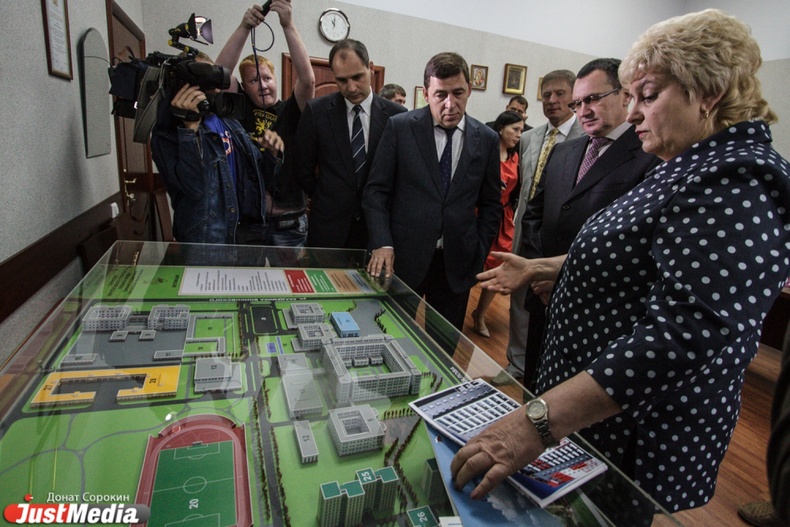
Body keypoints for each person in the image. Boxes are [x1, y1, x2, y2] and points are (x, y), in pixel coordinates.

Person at [450, 8, 790, 520]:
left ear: (709, 93)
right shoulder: (688, 161)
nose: (632, 114)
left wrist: (533, 423)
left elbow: (683, 335)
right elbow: (637, 257)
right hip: (590, 416)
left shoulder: (735, 180)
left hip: (631, 429)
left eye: (647, 96)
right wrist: (549, 269)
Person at [516, 58, 660, 388]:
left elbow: (637, 244)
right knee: (534, 386)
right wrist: (539, 272)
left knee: (572, 396)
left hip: (596, 309)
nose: (584, 110)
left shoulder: (649, 155)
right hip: (543, 297)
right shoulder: (564, 151)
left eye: (593, 99)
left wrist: (563, 278)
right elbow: (534, 215)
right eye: (578, 103)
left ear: (625, 95)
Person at [364, 52, 502, 332]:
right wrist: (383, 242)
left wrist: (478, 253)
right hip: (402, 260)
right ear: (426, 94)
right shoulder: (401, 128)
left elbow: (491, 204)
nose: (450, 104)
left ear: (469, 90)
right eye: (441, 95)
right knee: (391, 335)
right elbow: (376, 191)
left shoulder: (487, 139)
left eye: (458, 93)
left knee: (444, 344)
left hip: (456, 265)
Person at [495, 70, 584, 384]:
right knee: (520, 299)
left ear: (574, 96)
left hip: (562, 238)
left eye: (560, 94)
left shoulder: (586, 138)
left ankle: (549, 367)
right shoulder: (530, 138)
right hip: (524, 231)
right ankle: (517, 363)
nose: (552, 100)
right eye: (546, 95)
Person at [151, 53, 284, 244]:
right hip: (206, 242)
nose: (213, 87)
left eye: (213, 76)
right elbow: (194, 188)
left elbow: (258, 174)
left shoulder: (226, 119)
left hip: (245, 237)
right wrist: (190, 129)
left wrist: (271, 153)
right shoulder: (168, 132)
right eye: (202, 79)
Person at [214, 1, 315, 247]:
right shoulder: (238, 110)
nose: (263, 85)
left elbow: (308, 80)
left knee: (292, 275)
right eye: (254, 80)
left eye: (268, 78)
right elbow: (218, 75)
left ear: (276, 80)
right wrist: (244, 27)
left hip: (289, 223)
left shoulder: (290, 111)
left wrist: (288, 25)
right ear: (244, 86)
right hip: (248, 223)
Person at [294, 39, 407, 249]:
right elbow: (302, 169)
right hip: (329, 228)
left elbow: (401, 175)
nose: (352, 87)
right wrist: (329, 195)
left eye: (357, 77)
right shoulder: (317, 112)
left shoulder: (397, 116)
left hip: (378, 230)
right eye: (342, 80)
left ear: (370, 68)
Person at [470, 111, 524, 338]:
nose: (519, 135)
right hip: (478, 215)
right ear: (501, 128)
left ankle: (480, 314)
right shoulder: (484, 153)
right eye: (515, 129)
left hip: (504, 217)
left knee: (498, 267)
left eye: (521, 130)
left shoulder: (516, 157)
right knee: (471, 263)